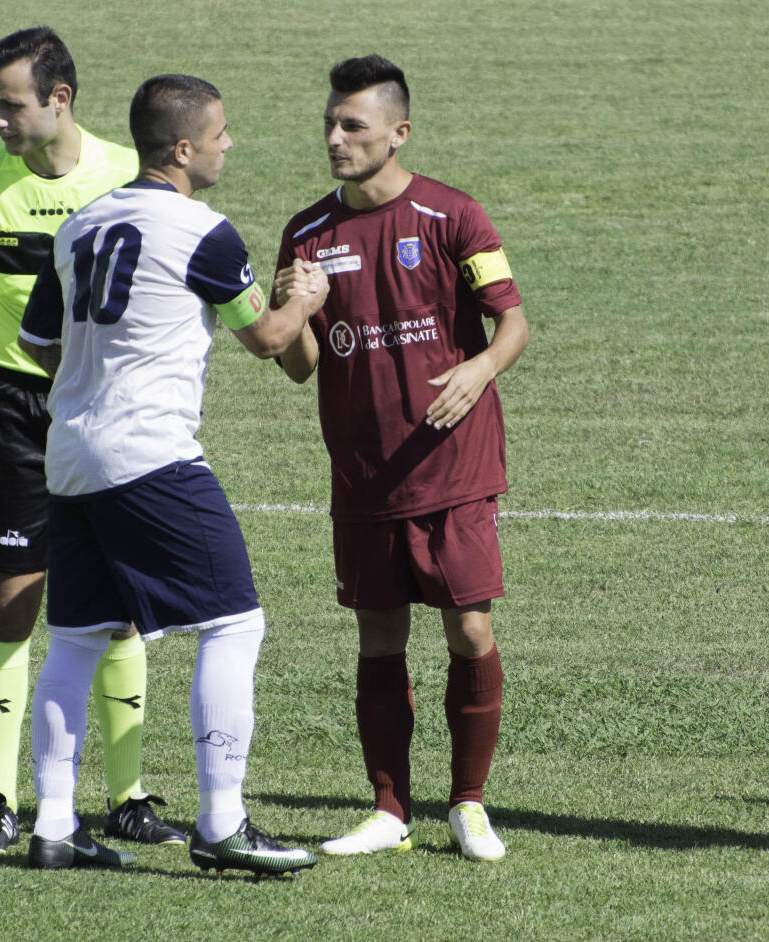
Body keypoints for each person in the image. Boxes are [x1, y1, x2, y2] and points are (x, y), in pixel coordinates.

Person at [17, 73, 328, 874]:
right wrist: (308, 299)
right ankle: (222, 824)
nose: (230, 144)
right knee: (234, 623)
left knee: (76, 639)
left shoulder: (80, 224)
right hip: (150, 454)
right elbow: (268, 340)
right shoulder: (202, 231)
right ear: (184, 149)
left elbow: (39, 344)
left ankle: (53, 825)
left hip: (71, 457)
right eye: (221, 134)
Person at [0, 27, 184, 856]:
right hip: (16, 411)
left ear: (59, 99)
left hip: (111, 409)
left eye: (10, 105)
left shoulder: (128, 176)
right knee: (11, 601)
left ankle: (129, 797)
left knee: (121, 609)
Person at [273, 54, 529, 862]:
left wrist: (480, 368)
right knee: (378, 634)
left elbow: (513, 322)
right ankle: (389, 811)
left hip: (454, 466)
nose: (334, 138)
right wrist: (296, 312)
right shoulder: (308, 234)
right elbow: (300, 364)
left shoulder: (452, 216)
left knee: (470, 627)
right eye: (329, 123)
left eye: (352, 125)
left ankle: (469, 804)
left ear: (398, 132)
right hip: (365, 471)